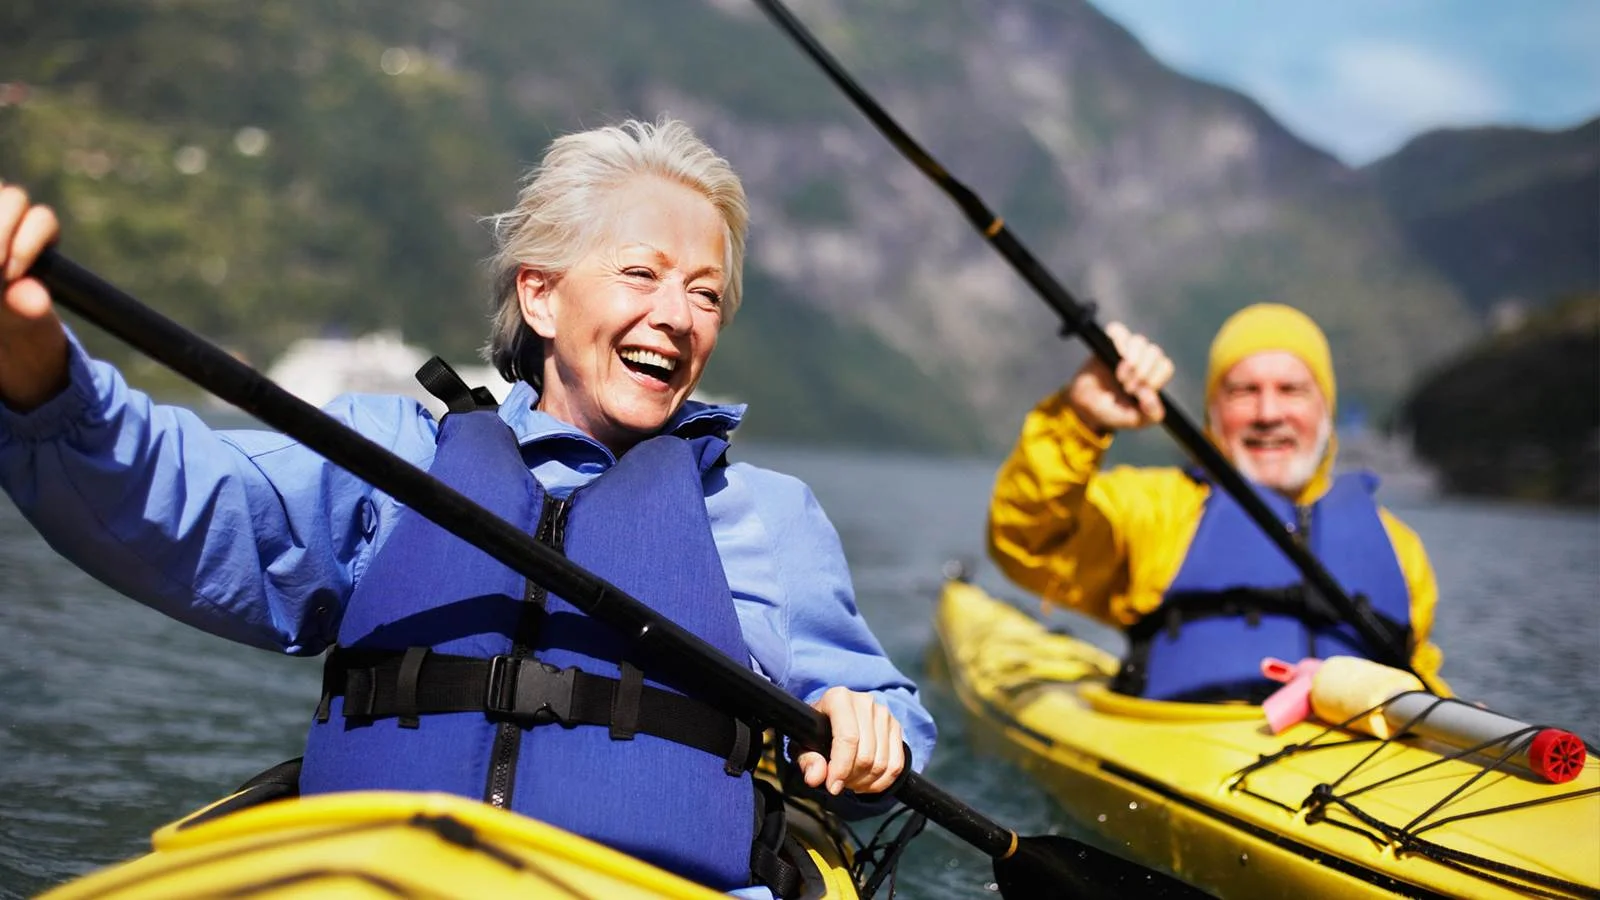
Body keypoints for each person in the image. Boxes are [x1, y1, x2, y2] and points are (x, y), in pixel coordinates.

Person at [0, 118, 934, 897]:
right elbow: (182, 497)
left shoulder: (766, 516)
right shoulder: (394, 456)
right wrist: (38, 372)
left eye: (705, 294)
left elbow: (886, 722)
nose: (678, 316)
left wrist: (867, 726)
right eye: (641, 275)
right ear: (540, 296)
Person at [987, 305, 1447, 702]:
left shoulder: (1400, 549)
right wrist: (1080, 418)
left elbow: (1422, 679)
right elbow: (1028, 540)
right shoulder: (1155, 510)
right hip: (1195, 751)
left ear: (1324, 410)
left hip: (1360, 764)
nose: (1268, 414)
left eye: (1291, 391)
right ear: (1212, 413)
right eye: (1244, 391)